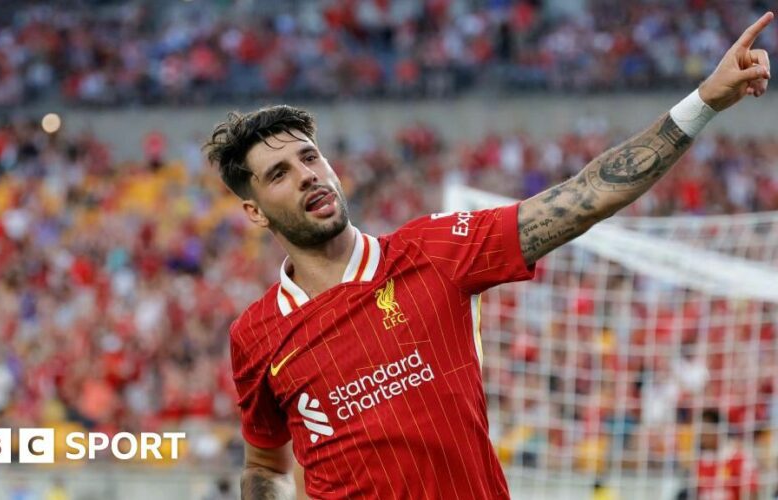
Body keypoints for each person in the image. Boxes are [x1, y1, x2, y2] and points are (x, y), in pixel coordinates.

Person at [203, 12, 773, 500]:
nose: (307, 175)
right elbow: (265, 466)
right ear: (255, 211)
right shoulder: (255, 335)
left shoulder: (433, 252)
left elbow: (583, 199)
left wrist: (703, 103)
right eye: (280, 173)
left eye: (310, 157)